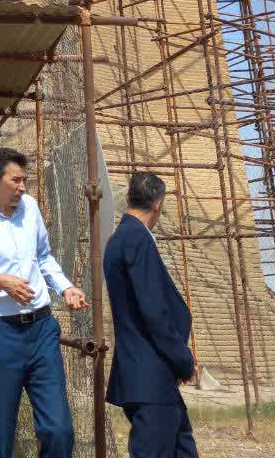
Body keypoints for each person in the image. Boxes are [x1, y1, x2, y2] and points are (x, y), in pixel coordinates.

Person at [0, 146, 87, 458]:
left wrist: (66, 287)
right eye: (15, 180)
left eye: (24, 180)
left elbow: (44, 256)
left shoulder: (30, 208)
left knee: (59, 430)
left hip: (42, 330)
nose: (22, 187)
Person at [103, 172, 198, 458]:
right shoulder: (137, 239)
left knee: (182, 447)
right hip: (150, 375)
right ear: (158, 203)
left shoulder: (120, 239)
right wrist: (183, 359)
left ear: (129, 197)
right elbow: (155, 312)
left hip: (147, 376)